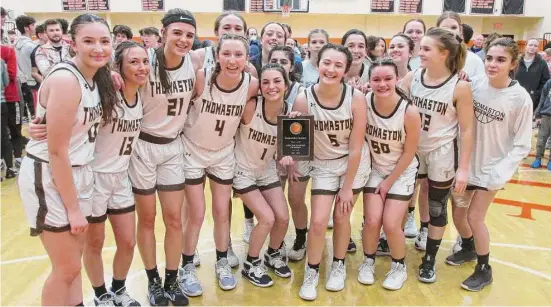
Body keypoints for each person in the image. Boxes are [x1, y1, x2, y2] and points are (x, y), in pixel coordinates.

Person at [28, 40, 149, 306]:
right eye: (133, 62)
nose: (141, 68)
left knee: (128, 242)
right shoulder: (106, 93)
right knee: (92, 245)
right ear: (117, 66)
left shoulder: (145, 93)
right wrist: (37, 127)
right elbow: (67, 122)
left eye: (145, 61)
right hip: (92, 176)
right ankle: (100, 293)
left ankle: (119, 289)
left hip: (121, 177)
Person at [17, 13, 118, 306]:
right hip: (51, 175)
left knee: (72, 267)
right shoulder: (65, 80)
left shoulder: (96, 76)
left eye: (104, 41)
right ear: (72, 43)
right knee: (67, 267)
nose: (98, 48)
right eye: (88, 41)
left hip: (79, 171)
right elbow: (57, 150)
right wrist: (74, 209)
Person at [122, 8, 200, 306]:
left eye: (189, 35)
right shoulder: (144, 64)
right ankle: (152, 280)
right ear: (163, 33)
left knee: (174, 219)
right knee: (148, 218)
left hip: (173, 148)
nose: (183, 39)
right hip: (142, 147)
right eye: (177, 33)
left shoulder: (195, 62)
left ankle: (172, 277)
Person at [449, 38, 532, 291]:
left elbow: (522, 144)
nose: (493, 64)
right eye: (489, 58)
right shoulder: (474, 86)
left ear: (513, 64)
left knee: (475, 217)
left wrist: (500, 173)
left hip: (492, 170)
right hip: (467, 165)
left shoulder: (520, 99)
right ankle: (468, 247)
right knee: (459, 214)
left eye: (500, 60)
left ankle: (484, 269)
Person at [180, 33, 258, 294]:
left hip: (223, 153)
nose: (232, 60)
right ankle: (187, 265)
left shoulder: (251, 84)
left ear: (247, 59)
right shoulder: (201, 77)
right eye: (226, 54)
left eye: (238, 55)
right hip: (192, 150)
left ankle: (222, 261)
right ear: (217, 55)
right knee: (196, 213)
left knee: (222, 212)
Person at [292, 43, 370, 300]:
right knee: (317, 221)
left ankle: (338, 264)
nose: (331, 69)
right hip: (324, 164)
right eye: (327, 63)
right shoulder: (304, 98)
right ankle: (312, 271)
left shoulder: (355, 98)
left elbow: (357, 147)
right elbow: (298, 141)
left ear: (346, 70)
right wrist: (289, 149)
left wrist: (347, 187)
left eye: (338, 65)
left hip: (352, 164)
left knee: (341, 218)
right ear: (318, 64)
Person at [399, 27, 474, 283]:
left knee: (436, 207)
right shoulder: (414, 76)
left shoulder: (460, 86)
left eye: (426, 49)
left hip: (441, 152)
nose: (420, 53)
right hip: (412, 148)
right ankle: (393, 245)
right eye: (420, 48)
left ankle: (429, 259)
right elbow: (390, 100)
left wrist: (463, 169)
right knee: (401, 199)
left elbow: (466, 129)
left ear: (444, 54)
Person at [360, 58, 421, 290]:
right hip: (375, 169)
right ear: (369, 81)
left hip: (401, 171)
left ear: (397, 80)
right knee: (372, 220)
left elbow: (410, 152)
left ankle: (399, 266)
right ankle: (368, 261)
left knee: (391, 223)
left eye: (388, 79)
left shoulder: (409, 111)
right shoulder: (364, 102)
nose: (382, 84)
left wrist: (388, 182)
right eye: (376, 79)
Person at [236, 63, 292, 287]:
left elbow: (282, 151)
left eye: (277, 81)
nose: (271, 87)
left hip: (266, 170)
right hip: (242, 171)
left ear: (286, 85)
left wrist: (287, 151)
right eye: (265, 82)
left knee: (283, 218)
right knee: (266, 218)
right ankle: (250, 264)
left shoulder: (288, 113)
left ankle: (273, 253)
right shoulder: (251, 107)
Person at [266, 45, 310, 261]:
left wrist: (291, 161)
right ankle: (277, 242)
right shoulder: (266, 88)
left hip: (297, 153)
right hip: (271, 153)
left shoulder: (301, 93)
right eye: (274, 60)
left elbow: (299, 133)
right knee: (275, 203)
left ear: (292, 65)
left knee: (295, 199)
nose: (279, 64)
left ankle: (302, 238)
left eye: (284, 61)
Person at [1, 34, 23, 174]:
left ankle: (16, 158)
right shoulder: (8, 52)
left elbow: (12, 74)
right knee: (13, 130)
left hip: (10, 97)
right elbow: (10, 75)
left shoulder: (7, 51)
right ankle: (14, 159)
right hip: (8, 96)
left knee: (13, 129)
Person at [515, 38, 550, 111]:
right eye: (530, 45)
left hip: (533, 99)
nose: (532, 47)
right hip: (515, 96)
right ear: (526, 45)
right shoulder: (516, 61)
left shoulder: (542, 63)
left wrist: (536, 94)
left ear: (538, 48)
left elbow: (545, 82)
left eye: (535, 46)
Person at [14, 15, 37, 119]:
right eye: (33, 25)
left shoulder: (15, 43)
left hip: (22, 80)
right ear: (26, 28)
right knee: (36, 111)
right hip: (33, 81)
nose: (35, 27)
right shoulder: (30, 46)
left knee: (30, 111)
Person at [530, 77, 551, 170]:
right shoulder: (549, 83)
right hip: (546, 115)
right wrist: (538, 114)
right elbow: (542, 98)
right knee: (541, 138)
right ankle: (538, 158)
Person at [1, 57, 16, 180]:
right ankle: (10, 168)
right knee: (4, 135)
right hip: (2, 102)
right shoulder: (0, 61)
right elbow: (6, 82)